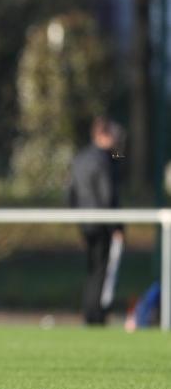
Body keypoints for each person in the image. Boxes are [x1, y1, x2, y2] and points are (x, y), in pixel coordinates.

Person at [68, 117, 124, 325]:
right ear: (103, 135)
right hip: (102, 222)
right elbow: (108, 195)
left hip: (84, 222)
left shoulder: (80, 157)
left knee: (92, 268)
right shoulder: (104, 159)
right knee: (102, 270)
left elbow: (70, 192)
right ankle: (97, 315)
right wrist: (117, 226)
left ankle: (89, 313)